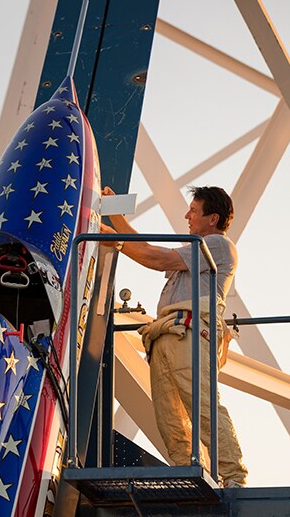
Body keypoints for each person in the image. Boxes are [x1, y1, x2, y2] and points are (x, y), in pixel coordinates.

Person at [98, 185, 248, 487]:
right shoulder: (195, 251)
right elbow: (155, 252)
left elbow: (157, 258)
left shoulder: (217, 245)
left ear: (212, 218)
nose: (187, 215)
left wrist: (113, 240)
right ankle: (190, 475)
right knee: (171, 420)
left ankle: (233, 478)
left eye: (193, 211)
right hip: (168, 334)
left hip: (190, 333)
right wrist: (117, 220)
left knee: (202, 407)